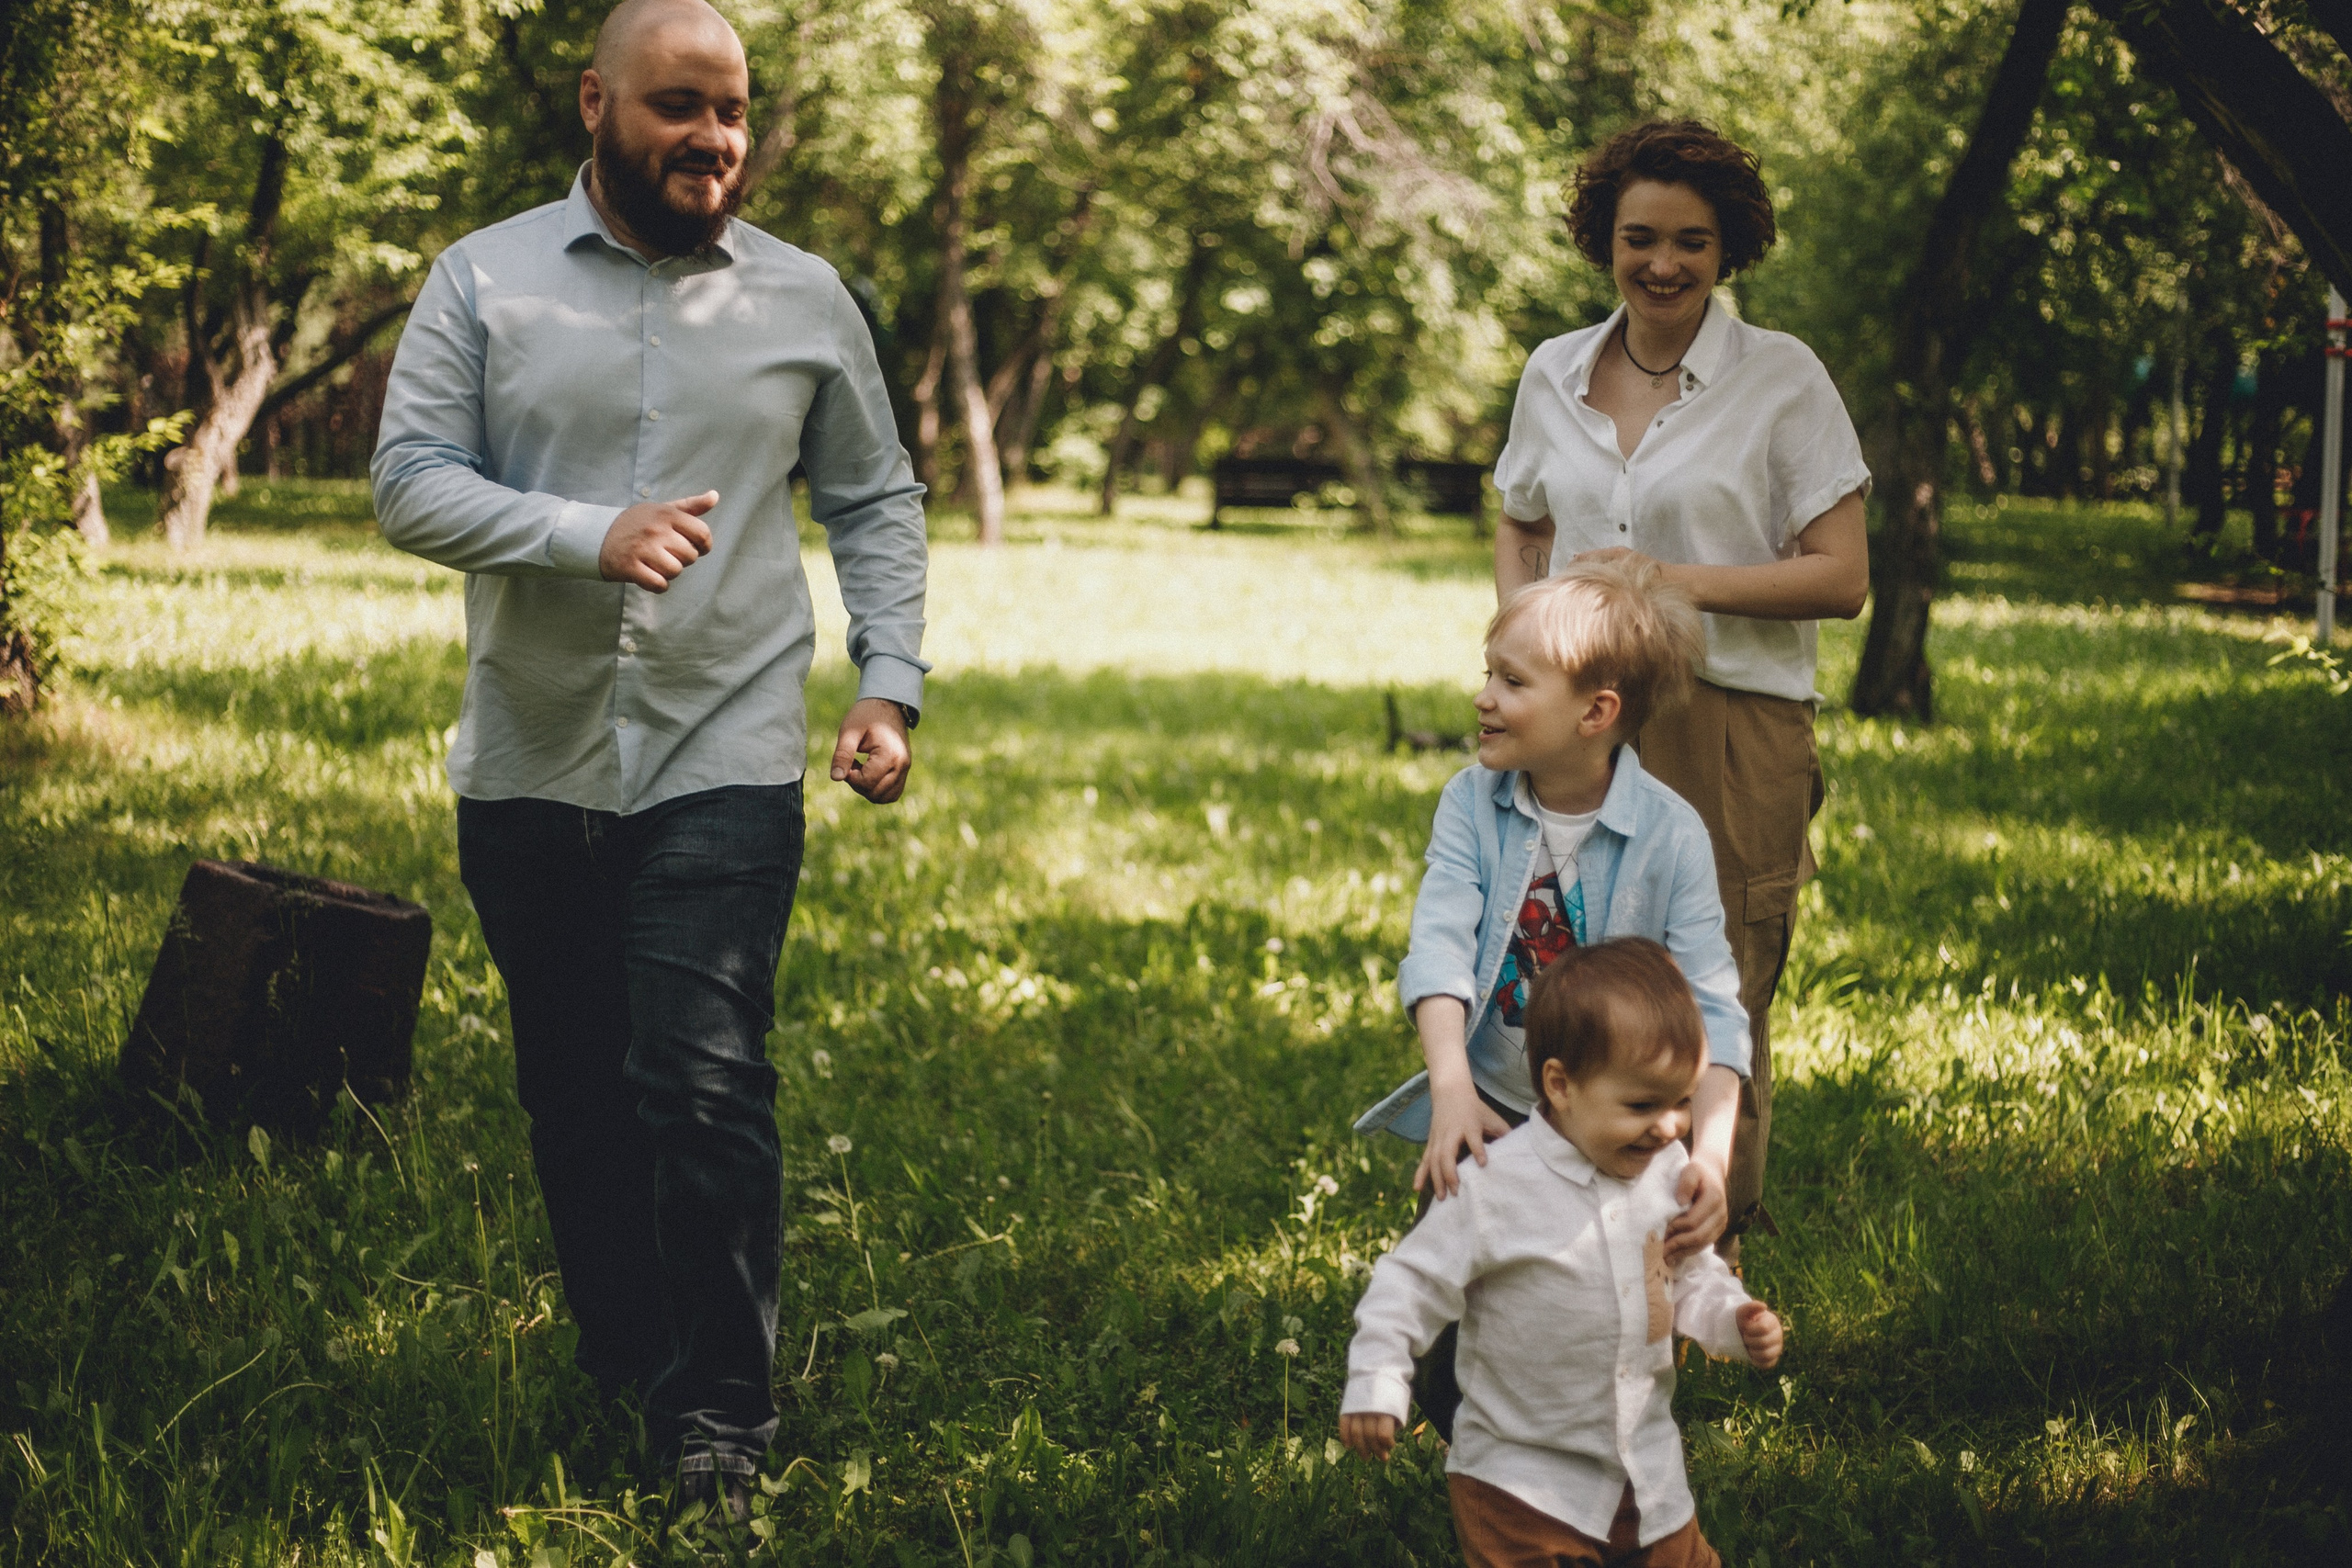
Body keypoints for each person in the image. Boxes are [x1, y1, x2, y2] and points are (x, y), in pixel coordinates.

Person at [369, 0, 928, 1519]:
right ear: (594, 104)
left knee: (702, 1073)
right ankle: (627, 1361)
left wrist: (890, 684)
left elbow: (874, 497)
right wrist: (585, 537)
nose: (712, 138)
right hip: (531, 760)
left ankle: (719, 1420)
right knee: (573, 1089)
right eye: (677, 105)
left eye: (732, 109)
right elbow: (408, 483)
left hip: (726, 747)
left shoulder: (808, 299)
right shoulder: (481, 280)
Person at [1492, 119, 1871, 1254]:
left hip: (1728, 720)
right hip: (1575, 720)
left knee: (1708, 984)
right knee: (1562, 973)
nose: (1662, 264)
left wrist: (1668, 584)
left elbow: (1842, 576)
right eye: (1639, 238)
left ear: (1729, 248)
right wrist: (1518, 636)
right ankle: (1564, 1234)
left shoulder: (1781, 378)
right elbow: (1520, 519)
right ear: (1604, 240)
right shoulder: (1553, 370)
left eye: (1691, 242)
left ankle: (1703, 1244)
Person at [1352, 558, 1750, 1438]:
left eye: (1512, 680)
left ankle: (1567, 1451)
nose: (1484, 698)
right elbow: (1441, 949)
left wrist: (1710, 1158)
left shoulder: (1671, 833)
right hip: (1491, 1102)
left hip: (1606, 1125)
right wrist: (1451, 1087)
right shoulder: (1471, 802)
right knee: (1446, 1308)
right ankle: (1457, 1436)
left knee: (1593, 1305)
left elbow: (1717, 1009)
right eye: (1486, 674)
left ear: (1595, 713)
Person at [1340, 939, 1785, 1568]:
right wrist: (1377, 1381)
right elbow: (1406, 1284)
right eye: (1641, 1104)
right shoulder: (1498, 1186)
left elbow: (1687, 1275)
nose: (1668, 1127)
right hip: (1518, 1482)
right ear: (1561, 1084)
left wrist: (1734, 1319)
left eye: (1682, 1102)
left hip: (1642, 1470)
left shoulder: (1666, 1173)